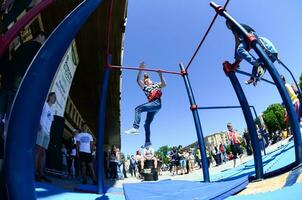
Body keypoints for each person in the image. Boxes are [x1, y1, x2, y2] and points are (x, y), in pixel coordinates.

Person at [125, 62, 166, 148]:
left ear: (151, 81)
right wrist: (140, 70)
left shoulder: (156, 85)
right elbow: (138, 81)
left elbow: (164, 84)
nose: (147, 82)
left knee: (138, 109)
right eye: (145, 82)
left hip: (156, 103)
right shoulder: (146, 88)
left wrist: (160, 74)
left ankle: (135, 128)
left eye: (148, 80)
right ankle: (147, 142)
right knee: (146, 124)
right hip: (153, 106)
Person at [226, 20, 278, 86]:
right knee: (260, 63)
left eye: (227, 26)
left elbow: (237, 41)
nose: (228, 27)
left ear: (229, 24)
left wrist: (237, 59)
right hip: (248, 37)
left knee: (240, 49)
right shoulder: (238, 26)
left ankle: (257, 68)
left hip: (249, 36)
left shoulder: (234, 27)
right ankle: (254, 78)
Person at [35, 92, 56, 182]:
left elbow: (50, 121)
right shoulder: (44, 104)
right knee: (38, 150)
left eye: (55, 98)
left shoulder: (52, 110)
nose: (55, 99)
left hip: (47, 133)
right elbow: (37, 112)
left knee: (43, 152)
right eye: (53, 97)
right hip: (41, 130)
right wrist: (38, 124)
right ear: (49, 97)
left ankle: (41, 173)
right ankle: (35, 172)